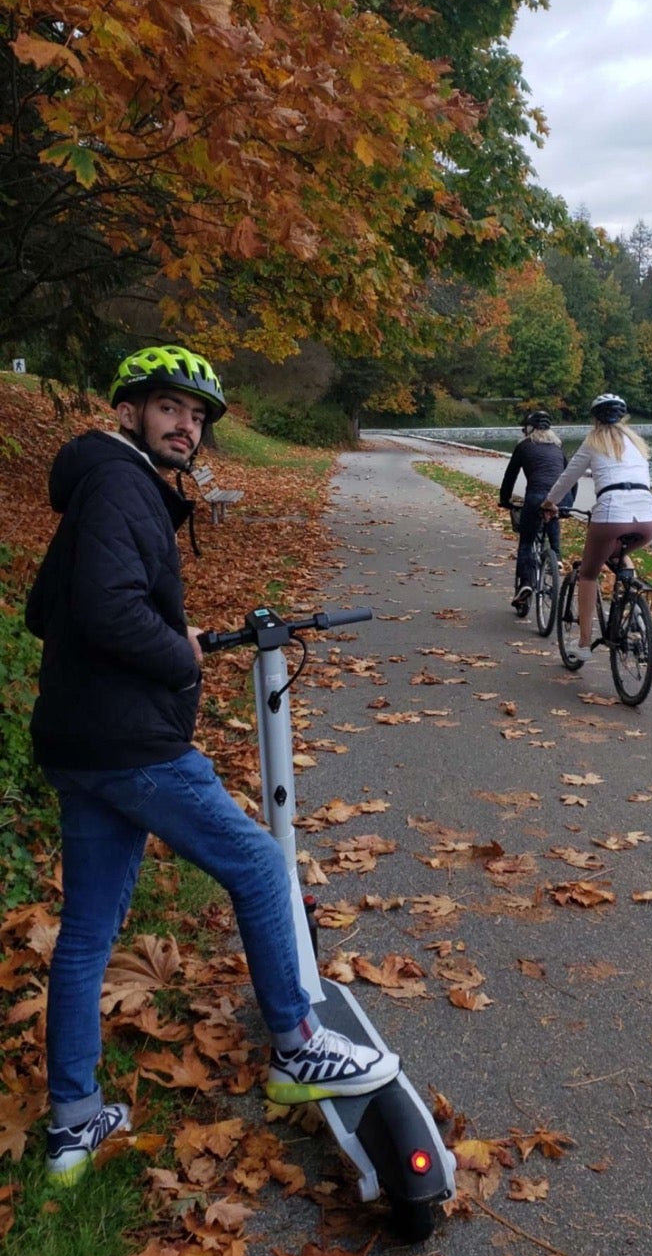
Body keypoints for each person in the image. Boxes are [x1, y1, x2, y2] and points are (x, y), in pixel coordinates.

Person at [25, 344, 400, 1186]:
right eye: (169, 408)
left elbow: (43, 611)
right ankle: (299, 1048)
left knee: (86, 934)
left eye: (196, 417)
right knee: (261, 866)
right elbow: (106, 609)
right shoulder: (122, 484)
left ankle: (74, 1122)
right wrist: (181, 655)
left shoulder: (94, 485)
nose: (185, 426)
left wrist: (162, 639)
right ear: (129, 412)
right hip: (132, 746)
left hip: (78, 744)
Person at [541, 393, 652, 662]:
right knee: (619, 556)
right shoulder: (636, 443)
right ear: (624, 417)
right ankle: (636, 616)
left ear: (594, 419)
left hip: (611, 515)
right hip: (648, 519)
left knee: (588, 574)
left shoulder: (592, 443)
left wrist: (549, 503)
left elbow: (567, 477)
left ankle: (583, 644)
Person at [498, 408, 574, 615]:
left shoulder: (524, 447)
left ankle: (526, 583)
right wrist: (568, 504)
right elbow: (570, 477)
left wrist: (504, 500)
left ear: (528, 429)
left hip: (535, 497)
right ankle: (556, 558)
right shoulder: (558, 448)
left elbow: (510, 477)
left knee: (526, 540)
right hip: (561, 498)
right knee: (554, 514)